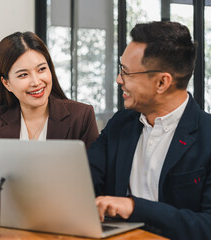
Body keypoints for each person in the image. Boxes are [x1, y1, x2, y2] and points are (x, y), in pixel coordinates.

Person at [87, 21, 211, 239]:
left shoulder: (207, 135)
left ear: (162, 82)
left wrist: (134, 207)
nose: (118, 80)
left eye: (126, 72)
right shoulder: (120, 123)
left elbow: (206, 225)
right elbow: (86, 178)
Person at [0, 31, 99, 148]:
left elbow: (93, 167)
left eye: (41, 69)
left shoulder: (81, 116)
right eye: (23, 75)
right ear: (7, 83)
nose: (36, 82)